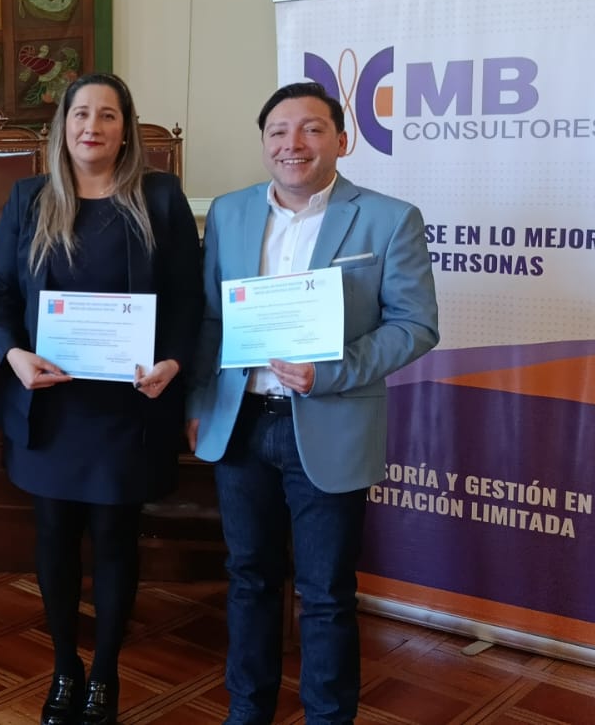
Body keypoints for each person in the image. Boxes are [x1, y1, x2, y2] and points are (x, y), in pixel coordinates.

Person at [187, 81, 439, 725]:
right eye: (278, 131)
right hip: (241, 424)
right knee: (248, 577)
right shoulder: (231, 212)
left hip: (331, 423)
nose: (292, 144)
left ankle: (328, 717)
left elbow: (415, 325)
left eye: (311, 129)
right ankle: (248, 710)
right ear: (264, 142)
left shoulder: (388, 218)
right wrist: (197, 401)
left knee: (326, 593)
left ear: (341, 139)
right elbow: (213, 319)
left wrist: (331, 371)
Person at [0, 73, 203, 725]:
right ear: (62, 125)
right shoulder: (28, 199)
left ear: (124, 128)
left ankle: (103, 673)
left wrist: (173, 361)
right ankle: (64, 668)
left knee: (114, 537)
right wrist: (13, 353)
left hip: (127, 409)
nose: (92, 126)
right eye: (80, 113)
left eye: (106, 115)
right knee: (53, 538)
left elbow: (190, 300)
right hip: (51, 406)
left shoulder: (159, 197)